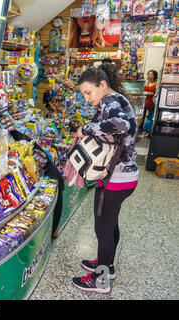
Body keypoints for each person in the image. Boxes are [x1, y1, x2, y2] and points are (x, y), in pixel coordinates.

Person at [72, 62, 138, 294]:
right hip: (125, 176)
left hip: (116, 178)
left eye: (88, 93)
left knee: (103, 229)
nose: (87, 99)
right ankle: (106, 266)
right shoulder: (116, 99)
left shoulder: (110, 102)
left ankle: (100, 281)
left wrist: (86, 129)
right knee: (110, 225)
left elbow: (122, 124)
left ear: (102, 85)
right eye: (83, 95)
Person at [138, 70, 158, 135]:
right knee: (141, 117)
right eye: (148, 74)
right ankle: (139, 130)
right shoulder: (145, 82)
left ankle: (148, 131)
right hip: (144, 103)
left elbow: (157, 93)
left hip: (152, 103)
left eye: (151, 74)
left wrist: (153, 94)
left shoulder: (156, 83)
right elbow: (141, 92)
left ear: (154, 76)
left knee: (150, 117)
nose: (149, 75)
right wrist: (148, 93)